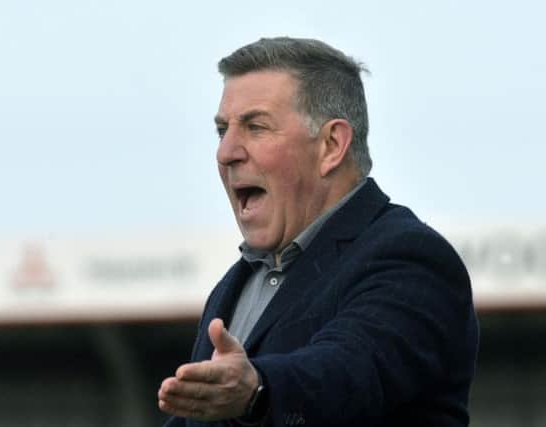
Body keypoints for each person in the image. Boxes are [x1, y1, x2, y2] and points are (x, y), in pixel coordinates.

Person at [158, 37, 479, 427]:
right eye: (222, 130)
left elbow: (346, 372)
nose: (226, 152)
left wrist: (258, 391)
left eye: (255, 127)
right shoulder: (235, 285)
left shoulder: (410, 258)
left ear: (331, 145)